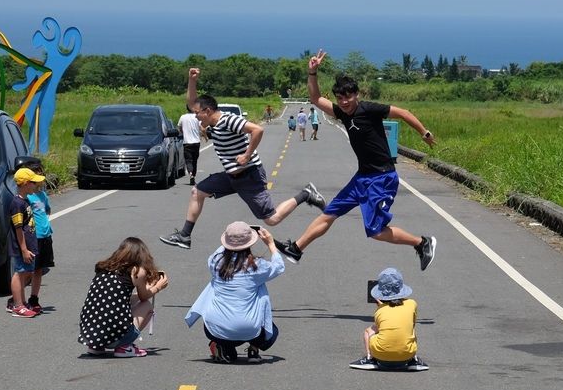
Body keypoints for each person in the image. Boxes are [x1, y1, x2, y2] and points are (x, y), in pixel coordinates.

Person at [273, 50, 439, 271]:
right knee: (330, 212)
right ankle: (297, 248)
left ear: (356, 95)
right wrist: (312, 72)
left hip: (382, 177)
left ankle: (422, 242)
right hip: (362, 177)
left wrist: (424, 132)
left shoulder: (368, 109)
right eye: (340, 98)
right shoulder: (343, 113)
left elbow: (403, 112)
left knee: (376, 231)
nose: (344, 102)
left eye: (348, 97)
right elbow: (315, 98)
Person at [159, 68, 327, 250]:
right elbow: (193, 103)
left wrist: (247, 155)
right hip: (231, 177)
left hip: (249, 175)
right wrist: (192, 80)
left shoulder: (228, 120)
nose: (196, 117)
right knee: (197, 192)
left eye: (198, 114)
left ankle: (306, 194)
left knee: (272, 219)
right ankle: (184, 236)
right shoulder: (212, 124)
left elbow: (257, 129)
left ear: (207, 111)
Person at [185, 221, 284, 363]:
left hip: (215, 329)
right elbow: (279, 267)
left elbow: (220, 251)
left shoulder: (215, 262)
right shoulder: (256, 267)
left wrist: (231, 240)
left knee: (214, 289)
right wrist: (270, 244)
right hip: (250, 331)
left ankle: (222, 346)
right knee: (261, 294)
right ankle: (254, 348)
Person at [78, 237, 168, 357]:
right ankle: (124, 346)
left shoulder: (105, 268)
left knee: (118, 304)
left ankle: (96, 347)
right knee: (146, 305)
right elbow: (144, 297)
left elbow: (119, 299)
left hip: (91, 334)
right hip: (115, 335)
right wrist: (157, 287)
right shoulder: (137, 271)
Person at [349, 267, 428, 371]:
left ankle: (370, 359)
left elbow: (380, 328)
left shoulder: (380, 310)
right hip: (406, 356)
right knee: (410, 330)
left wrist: (380, 306)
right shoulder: (412, 304)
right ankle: (413, 359)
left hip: (381, 356)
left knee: (368, 332)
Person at [7, 159, 54, 315]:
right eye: (33, 181)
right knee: (21, 272)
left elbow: (46, 211)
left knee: (32, 269)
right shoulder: (18, 203)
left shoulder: (26, 200)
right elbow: (18, 228)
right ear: (26, 183)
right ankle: (16, 303)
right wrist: (24, 248)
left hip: (35, 240)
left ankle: (24, 302)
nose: (36, 184)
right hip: (25, 244)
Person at [178, 107, 203, 186]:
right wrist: (204, 136)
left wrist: (183, 133)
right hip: (196, 142)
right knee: (194, 160)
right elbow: (201, 127)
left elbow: (179, 127)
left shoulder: (183, 117)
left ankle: (191, 174)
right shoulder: (197, 117)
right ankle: (193, 175)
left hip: (187, 142)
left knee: (188, 160)